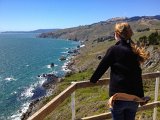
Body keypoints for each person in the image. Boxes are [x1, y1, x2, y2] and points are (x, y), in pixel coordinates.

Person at [90, 22, 150, 120]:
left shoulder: (114, 49)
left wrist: (93, 80)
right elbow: (137, 74)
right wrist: (141, 97)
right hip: (134, 99)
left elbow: (102, 67)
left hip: (119, 98)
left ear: (117, 34)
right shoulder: (134, 51)